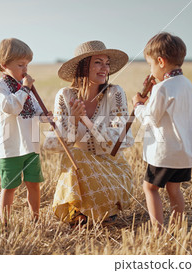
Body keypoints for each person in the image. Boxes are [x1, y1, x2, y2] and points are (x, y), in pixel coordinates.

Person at [44, 40, 134, 227]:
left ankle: (101, 209)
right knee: (74, 155)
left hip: (113, 169)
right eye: (98, 62)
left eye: (107, 63)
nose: (105, 68)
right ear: (84, 67)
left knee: (76, 155)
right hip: (80, 170)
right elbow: (52, 145)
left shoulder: (115, 93)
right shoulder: (65, 96)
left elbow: (122, 140)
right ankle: (79, 211)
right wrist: (73, 121)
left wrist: (87, 121)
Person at [132, 32, 192, 228]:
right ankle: (178, 228)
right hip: (184, 152)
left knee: (150, 187)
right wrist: (151, 97)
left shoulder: (163, 88)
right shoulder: (186, 85)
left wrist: (138, 106)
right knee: (174, 188)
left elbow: (150, 118)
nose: (151, 70)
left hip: (165, 152)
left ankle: (157, 232)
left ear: (160, 62)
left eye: (150, 65)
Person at [0, 38, 51, 227]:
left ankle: (35, 218)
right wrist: (25, 88)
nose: (26, 69)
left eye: (27, 65)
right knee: (10, 186)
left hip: (31, 145)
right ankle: (5, 223)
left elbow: (33, 111)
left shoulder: (26, 89)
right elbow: (12, 107)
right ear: (4, 65)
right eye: (21, 64)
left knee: (34, 184)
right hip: (11, 147)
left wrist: (45, 116)